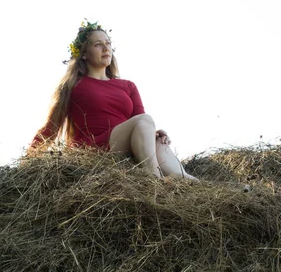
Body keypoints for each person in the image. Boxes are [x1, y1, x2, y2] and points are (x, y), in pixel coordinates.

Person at [30, 20, 197, 180]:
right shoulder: (73, 85)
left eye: (108, 43)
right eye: (97, 44)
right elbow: (51, 128)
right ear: (83, 54)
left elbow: (140, 120)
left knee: (160, 143)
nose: (105, 48)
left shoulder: (128, 86)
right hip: (94, 148)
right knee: (145, 121)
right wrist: (28, 161)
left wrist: (156, 134)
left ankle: (189, 182)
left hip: (126, 144)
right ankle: (154, 178)